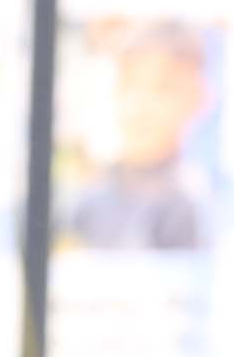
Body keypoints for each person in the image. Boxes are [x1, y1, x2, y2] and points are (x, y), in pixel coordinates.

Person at [61, 24, 213, 250]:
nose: (140, 106)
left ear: (197, 97)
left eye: (161, 89)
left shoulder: (187, 204)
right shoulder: (87, 196)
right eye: (128, 85)